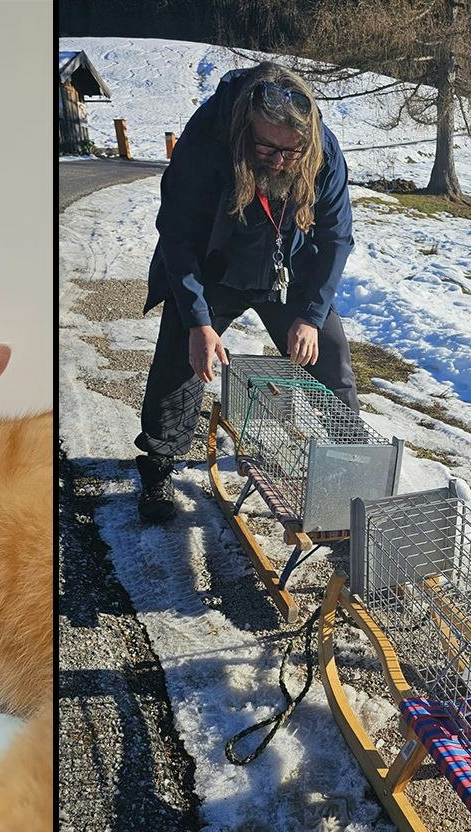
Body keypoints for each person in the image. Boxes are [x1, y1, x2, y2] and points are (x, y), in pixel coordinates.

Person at [134, 63, 357, 523]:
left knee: (331, 355)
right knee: (181, 358)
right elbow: (176, 234)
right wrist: (198, 321)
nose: (278, 161)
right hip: (214, 268)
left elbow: (337, 237)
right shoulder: (206, 140)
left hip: (284, 271)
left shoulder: (323, 150)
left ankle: (350, 468)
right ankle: (158, 465)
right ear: (244, 126)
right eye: (266, 147)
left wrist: (312, 315)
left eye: (290, 152)